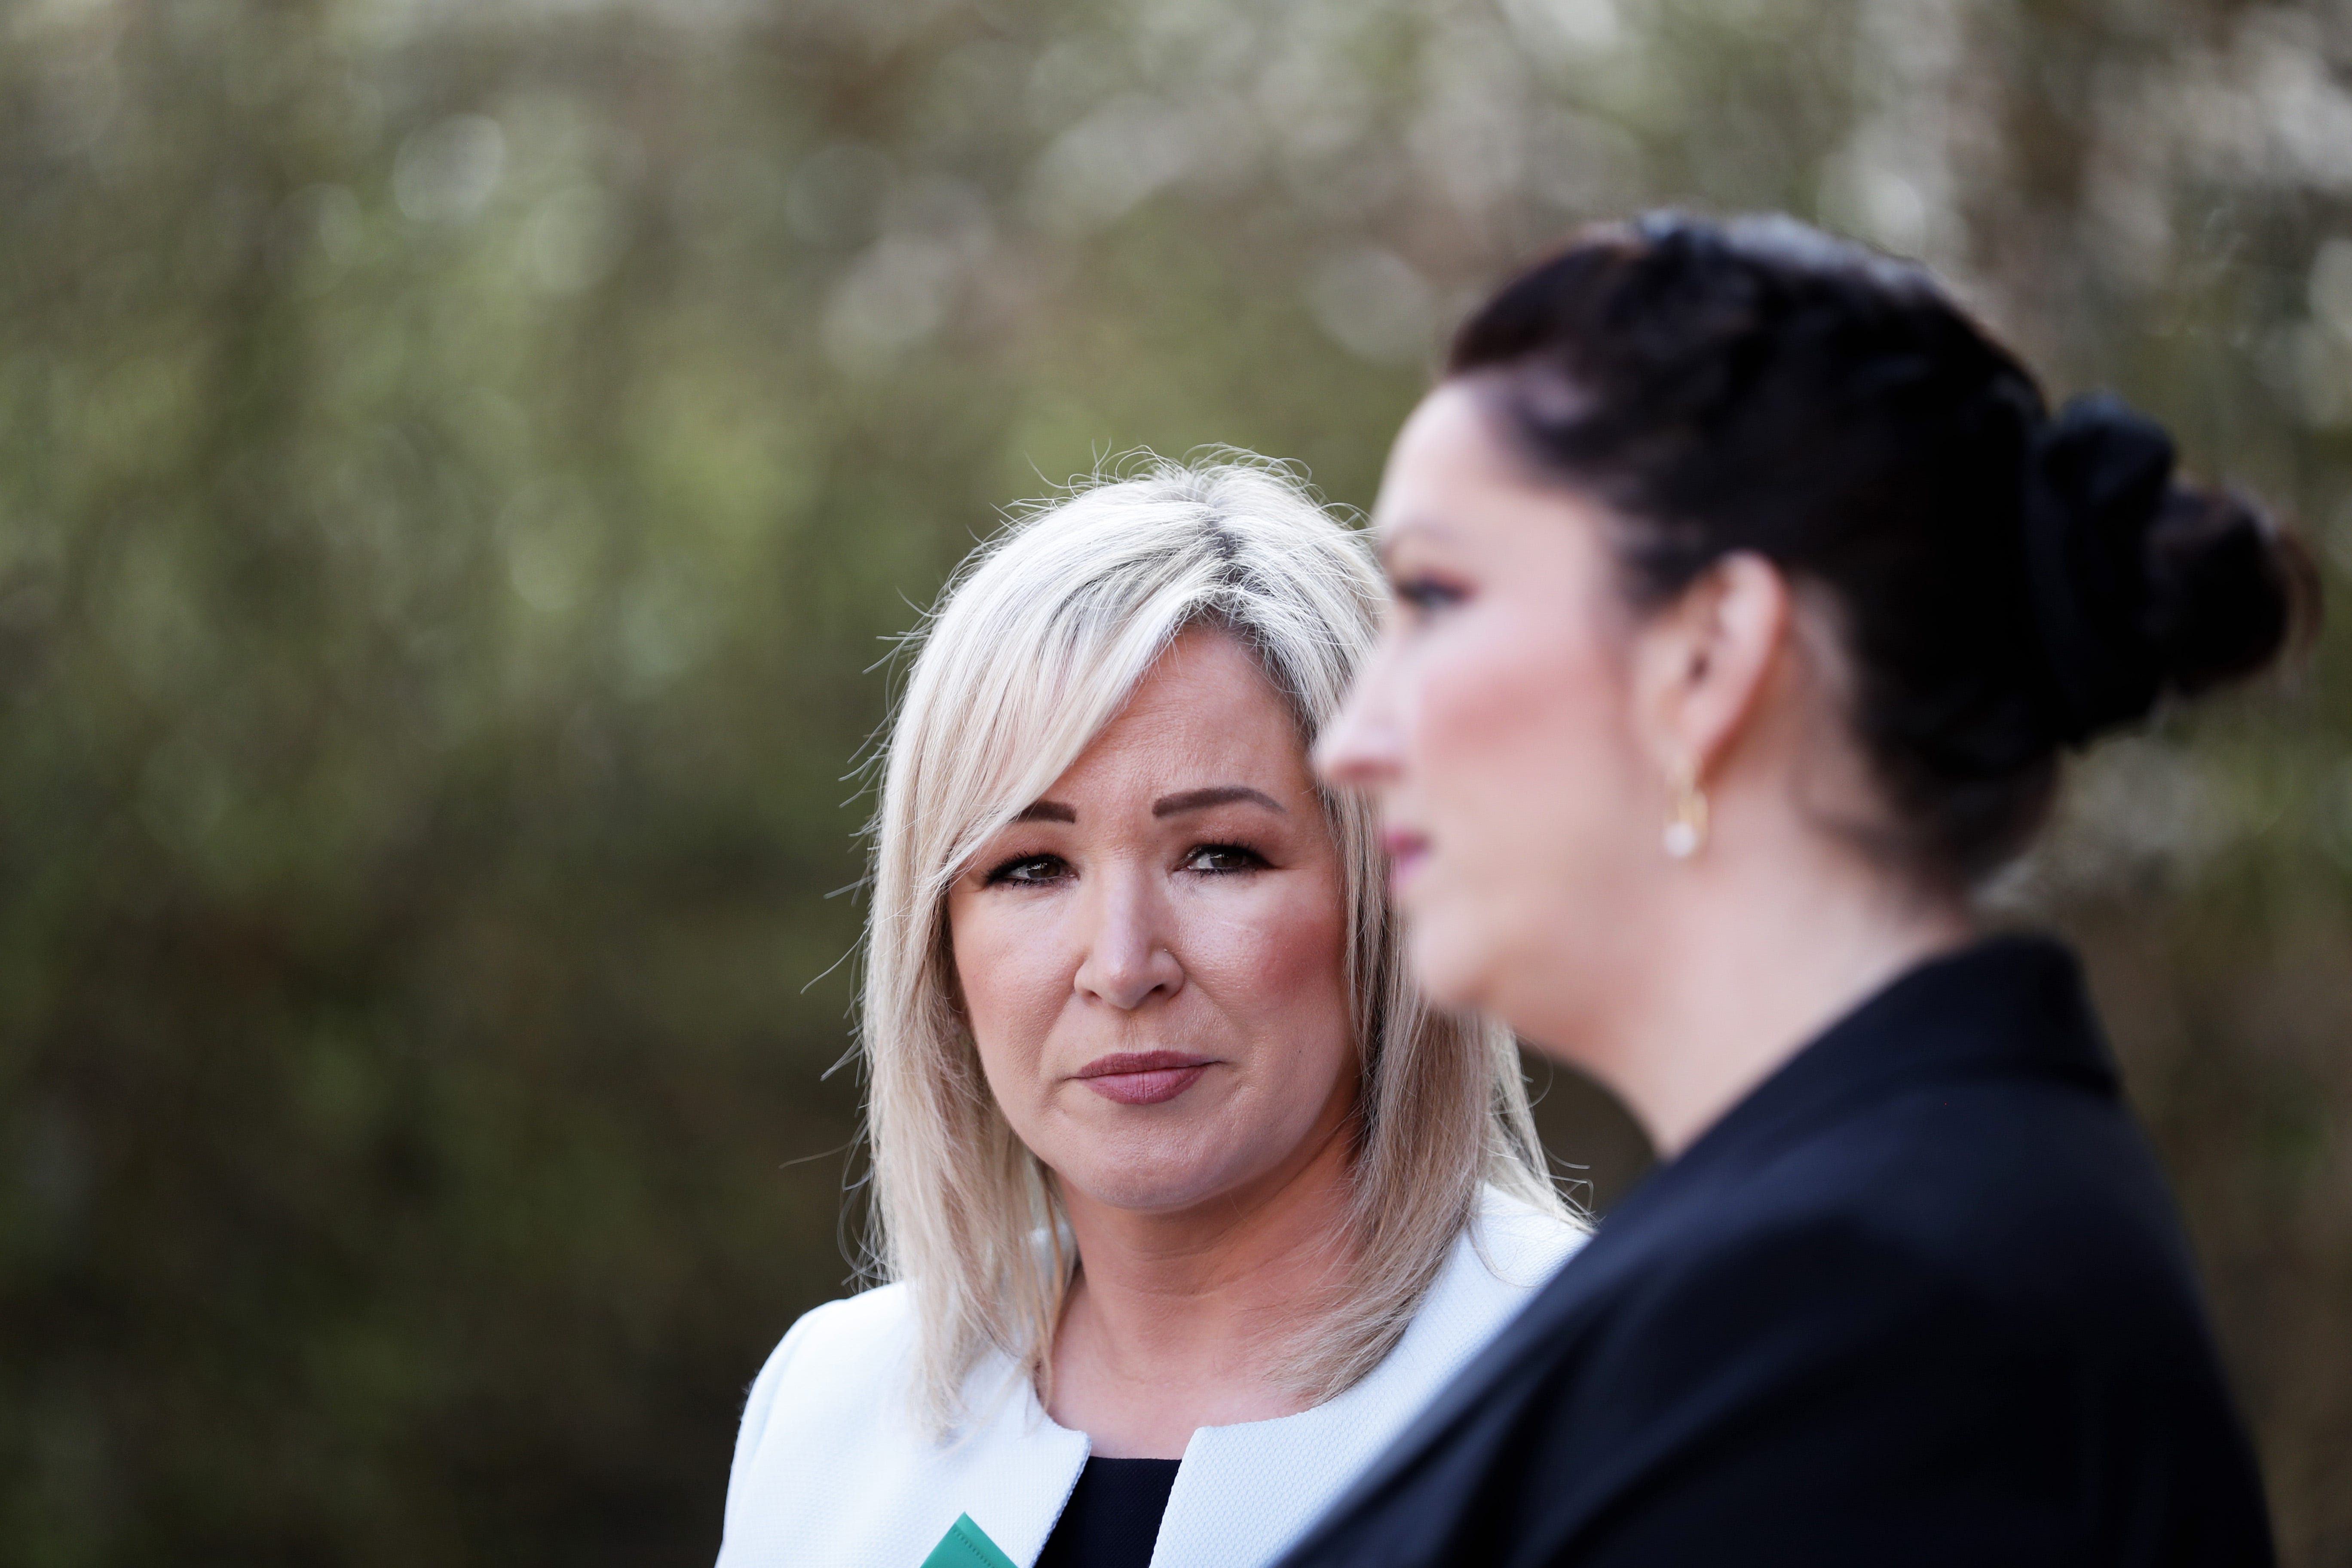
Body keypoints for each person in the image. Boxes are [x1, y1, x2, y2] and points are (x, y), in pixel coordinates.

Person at [1294, 213, 2312, 1566]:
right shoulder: (1840, 1252)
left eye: (1434, 595)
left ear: (1710, 657)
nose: (1349, 740)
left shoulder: (1872, 1323)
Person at [713, 459, 1584, 1568]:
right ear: (936, 944)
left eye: (1221, 856)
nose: (1122, 966)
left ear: (1388, 898)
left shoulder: (1619, 1403)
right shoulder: (833, 1410)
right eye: (1030, 867)